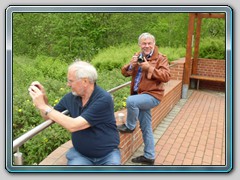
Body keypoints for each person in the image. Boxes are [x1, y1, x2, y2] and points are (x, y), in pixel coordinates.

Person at [28, 60, 121, 165]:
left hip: (107, 155)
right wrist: (43, 98)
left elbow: (74, 125)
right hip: (80, 155)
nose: (68, 84)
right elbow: (49, 116)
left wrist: (43, 106)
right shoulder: (70, 97)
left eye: (71, 81)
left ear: (85, 81)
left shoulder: (103, 99)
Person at [117, 32, 170, 165]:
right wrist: (131, 64)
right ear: (140, 44)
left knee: (130, 101)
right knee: (146, 128)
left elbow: (166, 76)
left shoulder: (161, 58)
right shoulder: (138, 56)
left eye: (149, 43)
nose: (146, 46)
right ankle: (149, 156)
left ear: (154, 44)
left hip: (152, 95)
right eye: (144, 43)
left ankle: (130, 126)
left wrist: (149, 68)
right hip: (140, 96)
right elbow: (125, 73)